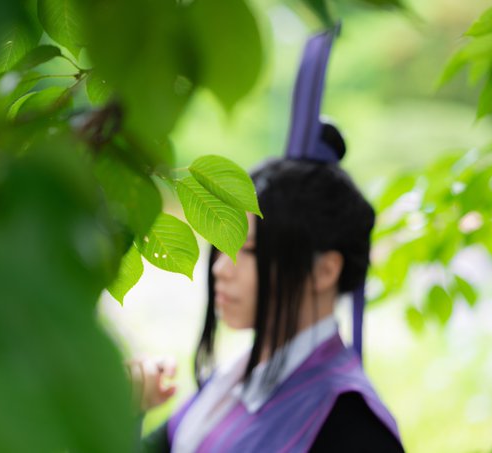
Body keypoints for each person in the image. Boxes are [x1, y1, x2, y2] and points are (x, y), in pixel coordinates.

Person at [133, 29, 405, 452]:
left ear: (324, 270)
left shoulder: (351, 427)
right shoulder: (234, 381)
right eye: (223, 247)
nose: (220, 268)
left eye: (248, 251)